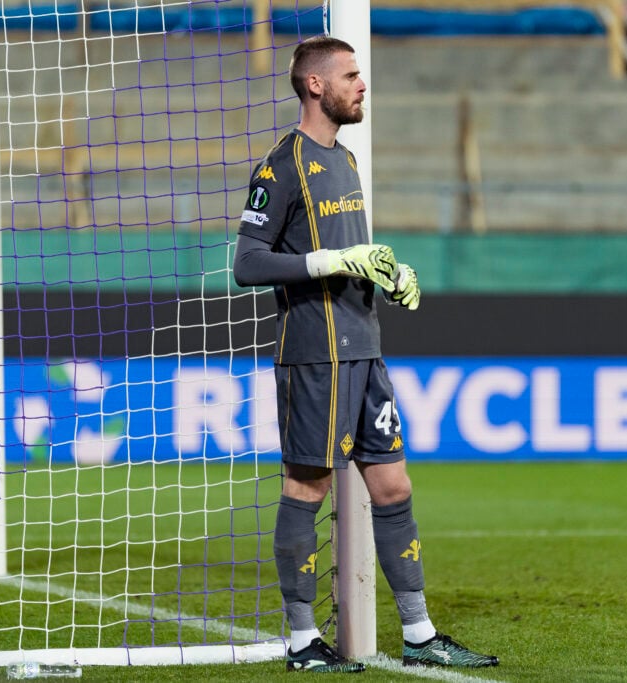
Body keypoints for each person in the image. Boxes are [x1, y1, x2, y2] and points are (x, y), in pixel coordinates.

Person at [232, 36, 498, 674]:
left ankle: (420, 635)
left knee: (393, 484)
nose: (362, 84)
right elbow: (247, 263)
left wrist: (389, 274)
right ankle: (303, 642)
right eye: (350, 75)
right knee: (308, 486)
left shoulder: (346, 160)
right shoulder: (280, 166)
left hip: (364, 348)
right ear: (316, 85)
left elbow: (353, 253)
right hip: (315, 354)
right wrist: (330, 261)